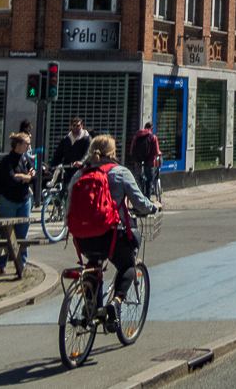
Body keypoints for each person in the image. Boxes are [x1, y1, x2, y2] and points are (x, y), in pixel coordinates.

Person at [65, 135, 159, 330]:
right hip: (111, 235)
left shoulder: (79, 174)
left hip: (82, 238)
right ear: (113, 152)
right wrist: (153, 207)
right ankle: (115, 303)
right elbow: (139, 202)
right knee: (128, 264)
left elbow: (68, 209)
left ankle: (91, 307)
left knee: (93, 263)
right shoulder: (120, 173)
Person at [0, 132, 36, 275]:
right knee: (5, 233)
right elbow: (9, 179)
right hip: (8, 200)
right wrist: (25, 177)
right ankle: (1, 265)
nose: (29, 146)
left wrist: (23, 177)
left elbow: (33, 178)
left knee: (22, 234)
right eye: (27, 143)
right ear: (18, 144)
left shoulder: (27, 159)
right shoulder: (7, 161)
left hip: (24, 200)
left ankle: (21, 265)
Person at [48, 116, 91, 186]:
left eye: (78, 125)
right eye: (74, 125)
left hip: (80, 171)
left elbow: (88, 153)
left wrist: (81, 162)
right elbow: (58, 155)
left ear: (82, 126)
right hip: (67, 171)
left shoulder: (86, 139)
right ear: (71, 126)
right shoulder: (66, 139)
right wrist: (50, 166)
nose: (76, 127)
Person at [127, 122, 161, 199]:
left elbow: (131, 151)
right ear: (152, 128)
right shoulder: (153, 137)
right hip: (150, 162)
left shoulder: (136, 136)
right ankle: (147, 202)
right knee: (149, 183)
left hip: (138, 162)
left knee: (138, 183)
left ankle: (138, 202)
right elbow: (156, 152)